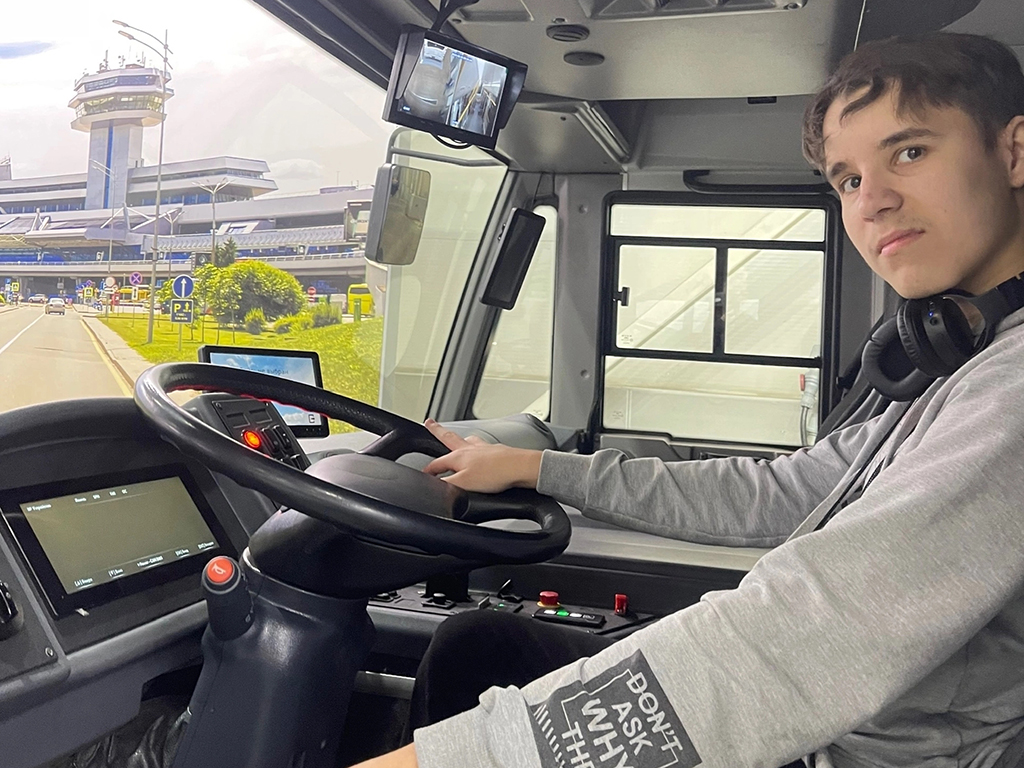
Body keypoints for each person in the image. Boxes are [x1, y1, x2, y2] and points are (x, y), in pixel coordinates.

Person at [357, 31, 1024, 768]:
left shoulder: (1012, 387)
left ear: (1015, 152)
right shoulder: (960, 362)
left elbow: (806, 632)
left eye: (909, 152)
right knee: (477, 644)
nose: (874, 201)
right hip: (835, 732)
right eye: (848, 180)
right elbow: (784, 490)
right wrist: (537, 469)